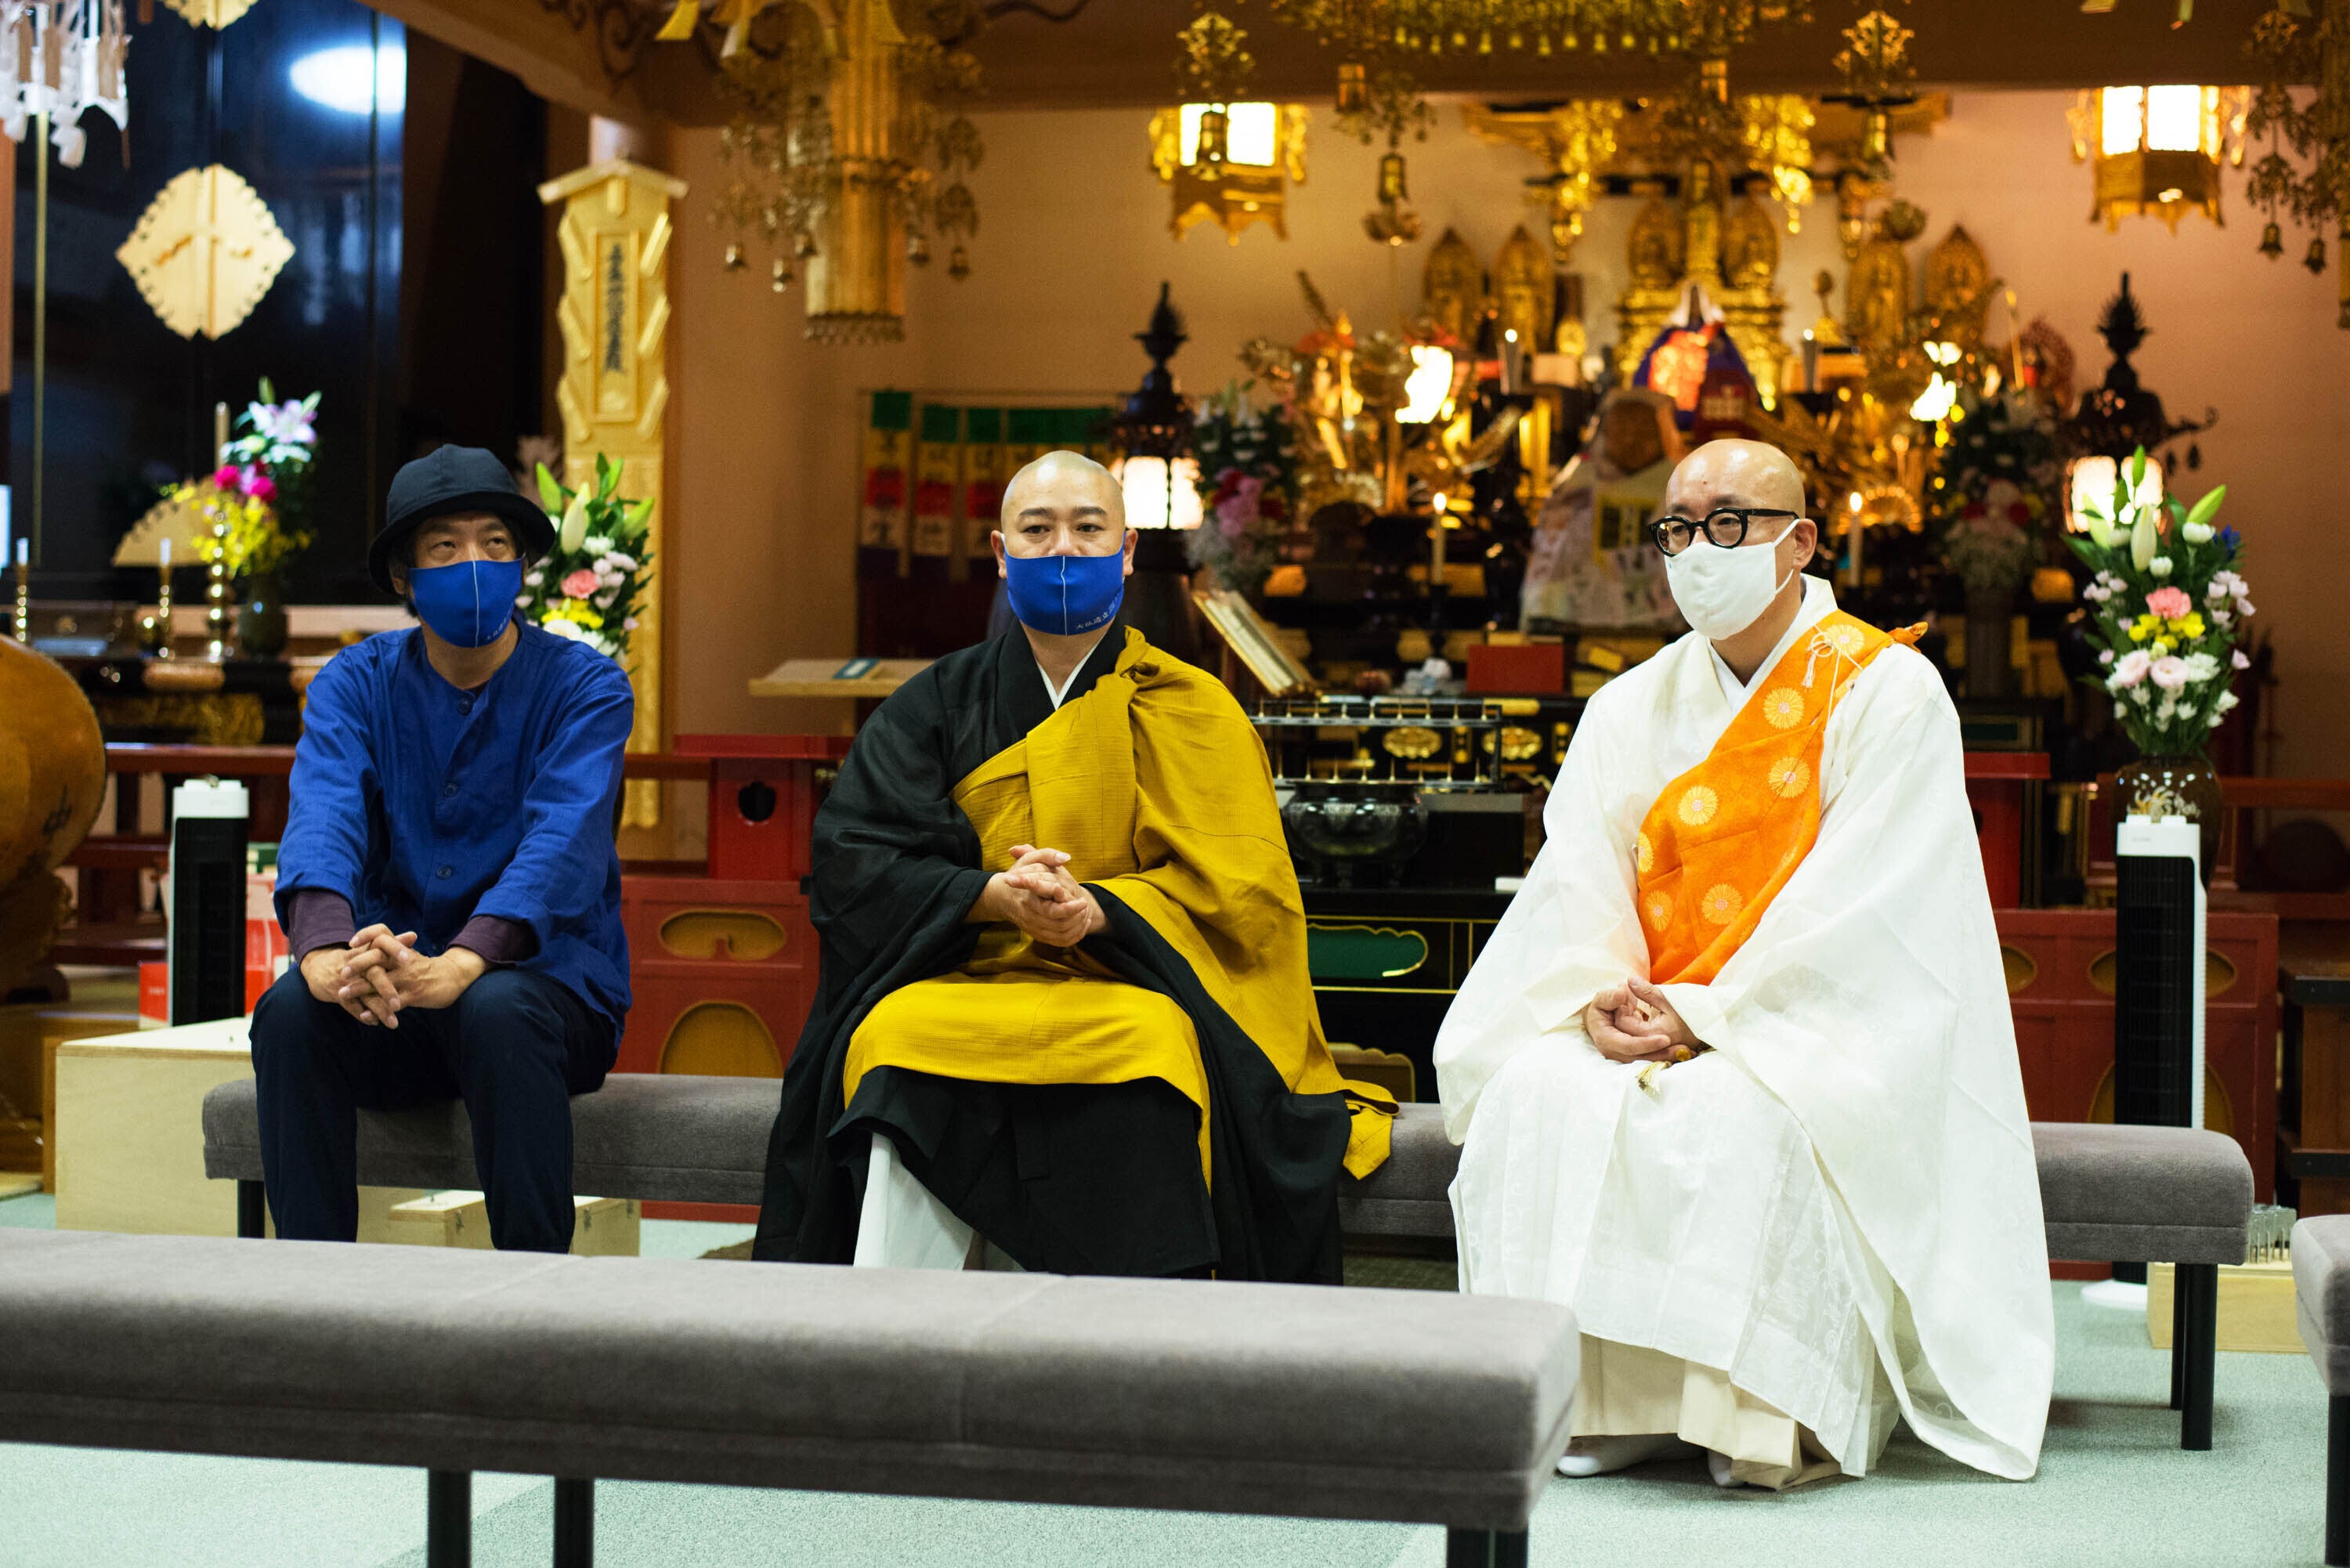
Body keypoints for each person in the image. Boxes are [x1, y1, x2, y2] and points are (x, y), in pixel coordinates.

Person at [1437, 439, 2052, 1489]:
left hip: (1809, 1024)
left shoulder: (1885, 691)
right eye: (1677, 528)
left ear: (1800, 542)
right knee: (1536, 1091)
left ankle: (1749, 1415)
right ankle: (1594, 1405)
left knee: (1740, 1113)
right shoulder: (1628, 705)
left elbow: (1871, 907)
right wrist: (1601, 995)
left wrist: (1709, 1016)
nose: (1697, 550)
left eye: (1728, 522)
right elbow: (1579, 882)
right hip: (1646, 1006)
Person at [754, 450, 1392, 1279]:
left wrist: (1100, 911)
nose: (1063, 549)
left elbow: (1243, 896)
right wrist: (989, 896)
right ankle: (893, 1329)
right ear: (1000, 551)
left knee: (1157, 1045)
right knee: (889, 1036)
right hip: (968, 978)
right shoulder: (933, 704)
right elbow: (854, 859)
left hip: (1131, 986)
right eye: (1038, 529)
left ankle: (1130, 1330)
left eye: (1088, 529)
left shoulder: (1193, 708)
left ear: (1126, 551)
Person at [251, 445, 634, 1252]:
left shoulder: (586, 687)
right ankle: (307, 1290)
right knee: (289, 1013)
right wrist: (324, 954)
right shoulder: (355, 683)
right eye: (444, 546)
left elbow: (563, 844)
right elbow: (323, 815)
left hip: (546, 992)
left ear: (522, 563)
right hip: (396, 993)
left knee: (497, 1008)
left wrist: (462, 963)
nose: (474, 565)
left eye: (495, 543)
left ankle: (536, 1290)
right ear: (404, 574)